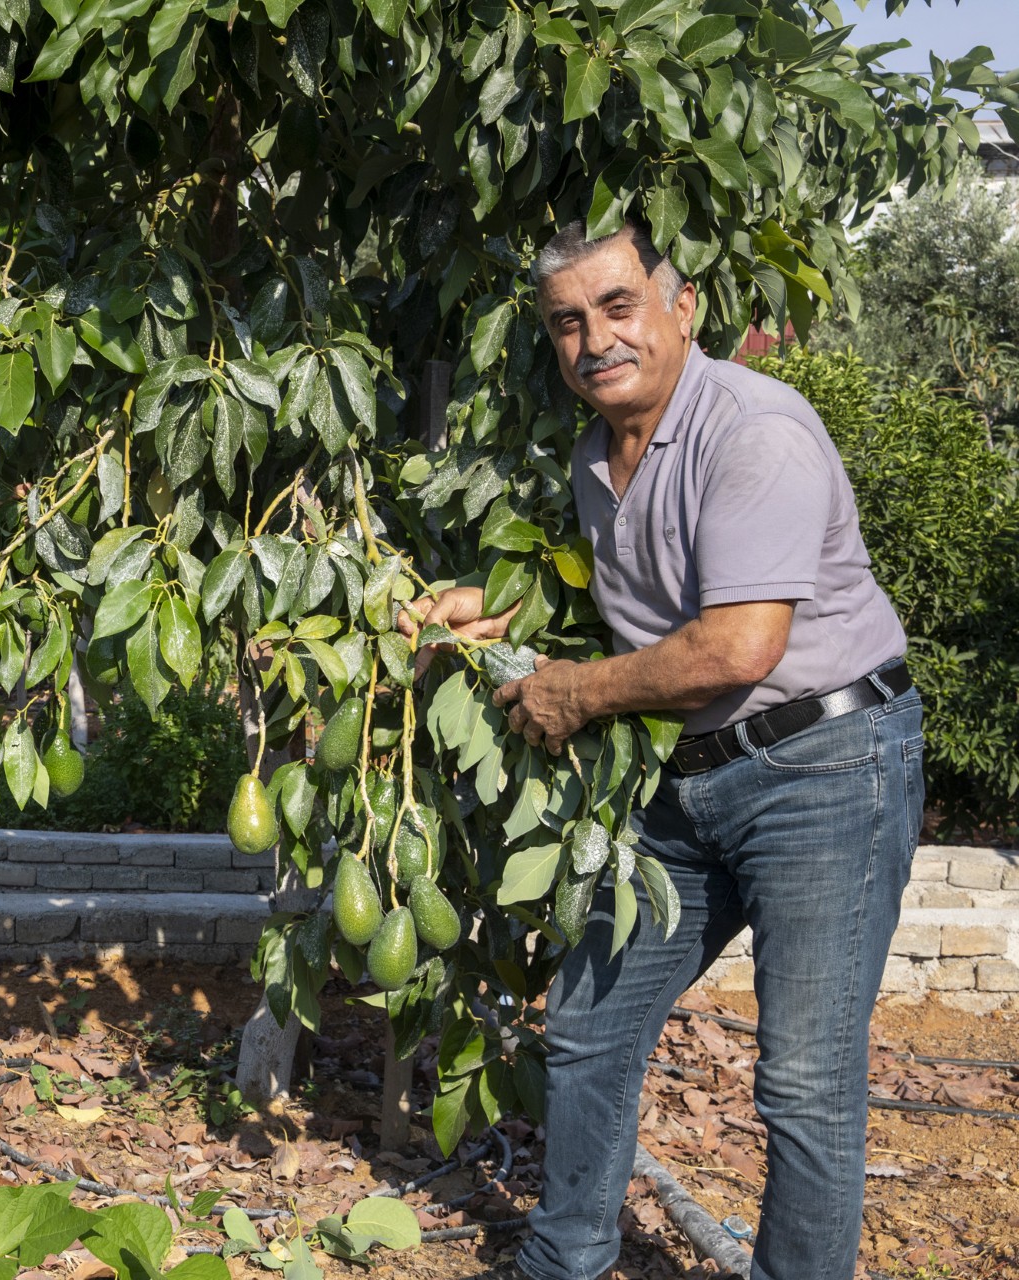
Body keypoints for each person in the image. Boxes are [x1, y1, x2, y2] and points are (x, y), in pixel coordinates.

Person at [403, 222, 922, 1280]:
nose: (596, 338)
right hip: (689, 778)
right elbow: (642, 631)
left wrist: (577, 692)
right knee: (592, 1023)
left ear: (681, 308)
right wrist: (490, 613)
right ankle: (566, 1258)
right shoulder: (599, 460)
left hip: (824, 765)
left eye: (618, 305)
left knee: (806, 1079)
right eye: (568, 322)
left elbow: (737, 643)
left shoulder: (753, 429)